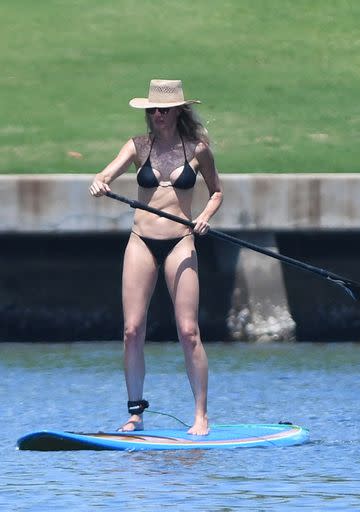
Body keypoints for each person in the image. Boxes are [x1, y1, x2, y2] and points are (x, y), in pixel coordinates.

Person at [89, 79, 223, 435]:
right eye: (152, 110)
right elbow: (106, 173)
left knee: (188, 331)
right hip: (141, 242)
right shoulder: (138, 146)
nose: (157, 115)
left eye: (164, 109)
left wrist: (204, 219)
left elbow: (216, 192)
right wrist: (100, 183)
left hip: (180, 241)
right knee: (132, 330)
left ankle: (200, 416)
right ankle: (135, 413)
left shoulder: (198, 150)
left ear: (179, 111)